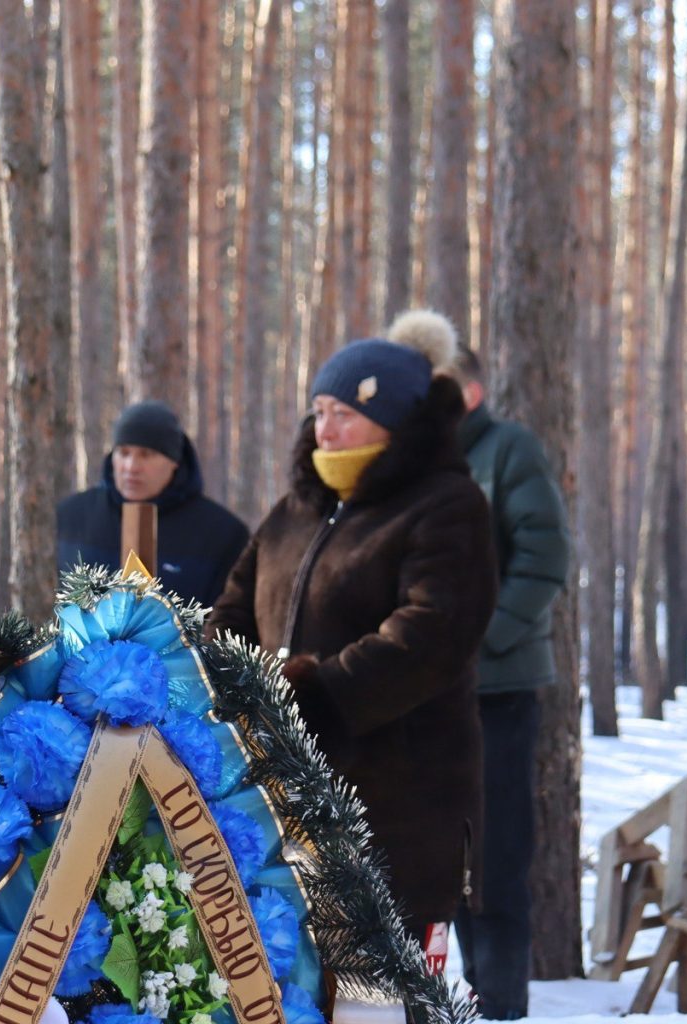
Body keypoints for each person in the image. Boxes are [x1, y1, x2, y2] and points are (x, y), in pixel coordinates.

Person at [206, 335, 497, 952]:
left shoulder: (448, 505)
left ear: (392, 421)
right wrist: (222, 677)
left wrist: (313, 693)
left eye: (344, 414)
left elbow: (429, 633)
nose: (325, 429)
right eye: (319, 411)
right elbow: (235, 603)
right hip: (280, 797)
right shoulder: (296, 508)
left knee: (383, 1001)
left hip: (399, 803)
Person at [383, 310, 569, 1019]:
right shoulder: (397, 463)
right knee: (416, 859)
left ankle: (503, 1007)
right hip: (414, 701)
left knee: (492, 864)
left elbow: (545, 559)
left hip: (495, 693)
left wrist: (473, 640)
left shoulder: (508, 451)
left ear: (470, 388)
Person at [57, 400, 248, 607]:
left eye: (146, 455)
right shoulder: (71, 518)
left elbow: (230, 621)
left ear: (174, 460)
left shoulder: (222, 534)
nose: (131, 466)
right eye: (123, 452)